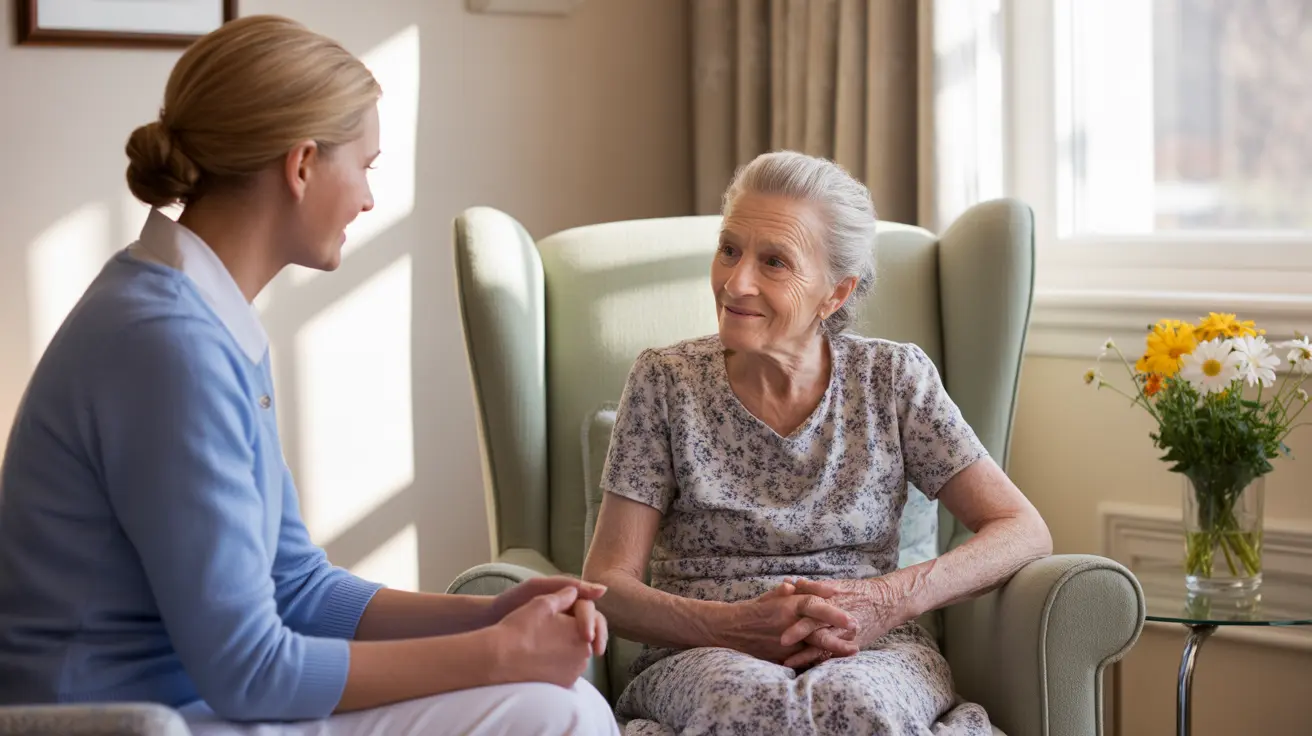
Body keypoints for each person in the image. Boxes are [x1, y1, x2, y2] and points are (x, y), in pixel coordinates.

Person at [0, 15, 617, 736]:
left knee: (563, 703)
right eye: (365, 164)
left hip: (191, 703)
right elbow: (252, 669)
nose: (368, 198)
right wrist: (495, 654)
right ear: (301, 166)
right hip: (124, 719)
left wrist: (487, 615)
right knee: (553, 713)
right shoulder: (169, 346)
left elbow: (295, 586)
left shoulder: (196, 317)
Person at [581, 150, 1054, 735]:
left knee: (857, 706)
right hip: (702, 655)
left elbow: (1022, 529)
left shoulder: (892, 378)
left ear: (835, 294)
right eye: (729, 248)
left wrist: (886, 600)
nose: (736, 281)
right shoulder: (665, 381)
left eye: (774, 262)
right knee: (751, 709)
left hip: (870, 651)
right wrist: (730, 627)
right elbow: (609, 587)